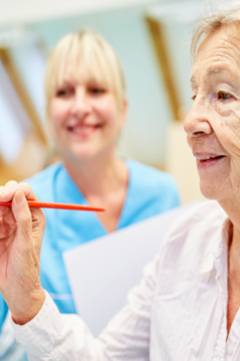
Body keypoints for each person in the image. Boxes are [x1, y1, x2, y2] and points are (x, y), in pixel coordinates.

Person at [0, 30, 180, 360]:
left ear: (123, 109)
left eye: (96, 90)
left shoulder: (163, 195)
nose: (80, 106)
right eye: (64, 92)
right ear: (48, 115)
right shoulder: (21, 210)